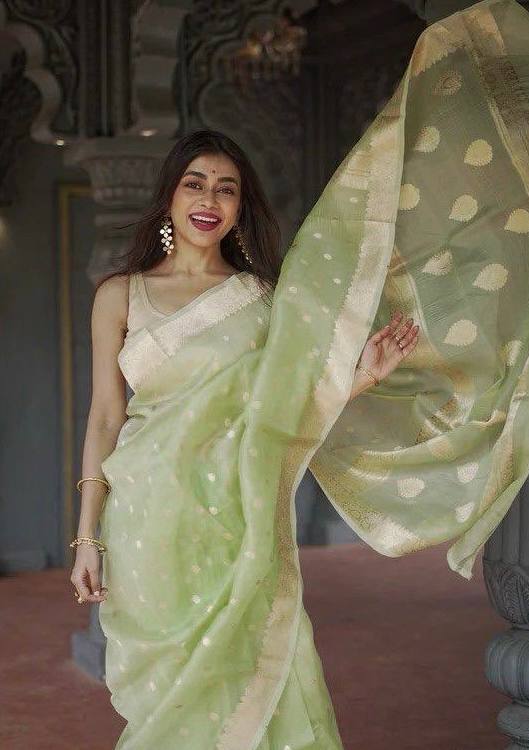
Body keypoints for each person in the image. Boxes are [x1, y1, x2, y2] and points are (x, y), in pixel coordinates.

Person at [70, 0, 529, 747]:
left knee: (248, 669)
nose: (209, 200)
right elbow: (102, 416)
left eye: (226, 187)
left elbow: (280, 402)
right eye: (195, 183)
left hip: (236, 509)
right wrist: (87, 535)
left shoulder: (258, 300)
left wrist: (360, 376)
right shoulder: (119, 295)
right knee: (163, 697)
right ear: (169, 196)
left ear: (240, 205)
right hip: (147, 512)